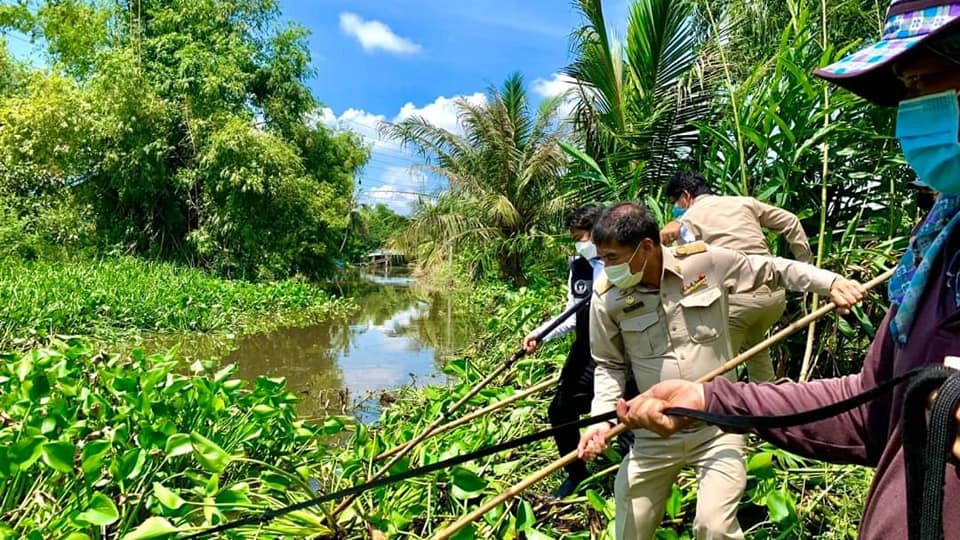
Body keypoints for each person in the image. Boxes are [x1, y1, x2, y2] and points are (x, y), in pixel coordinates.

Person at [608, 2, 960, 539]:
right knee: (753, 370)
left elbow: (753, 263)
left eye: (925, 81)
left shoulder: (691, 235)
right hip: (763, 305)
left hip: (743, 300)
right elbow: (871, 407)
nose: (911, 110)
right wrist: (711, 398)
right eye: (905, 90)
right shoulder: (936, 249)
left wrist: (819, 278)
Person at [575, 202, 863, 539]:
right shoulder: (607, 298)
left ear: (647, 247)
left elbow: (771, 269)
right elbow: (609, 364)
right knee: (631, 528)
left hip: (718, 424)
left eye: (612, 258)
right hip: (654, 431)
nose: (607, 267)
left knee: (714, 527)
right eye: (603, 258)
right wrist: (602, 420)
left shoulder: (703, 263)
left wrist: (829, 282)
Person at [522, 204, 638, 497]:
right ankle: (576, 473)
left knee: (628, 411)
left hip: (627, 350)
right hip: (587, 350)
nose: (579, 244)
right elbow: (572, 314)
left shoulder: (626, 263)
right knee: (560, 410)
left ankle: (631, 477)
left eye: (580, 237)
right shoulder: (579, 267)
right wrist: (540, 334)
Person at [661, 171, 814, 382]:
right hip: (774, 299)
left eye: (675, 202)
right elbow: (791, 221)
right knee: (755, 346)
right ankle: (767, 399)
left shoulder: (688, 219)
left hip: (737, 302)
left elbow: (686, 267)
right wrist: (805, 267)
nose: (675, 208)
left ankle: (721, 403)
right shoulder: (744, 202)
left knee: (714, 373)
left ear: (686, 196)